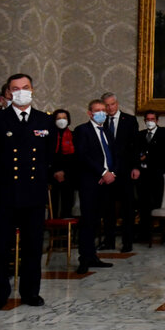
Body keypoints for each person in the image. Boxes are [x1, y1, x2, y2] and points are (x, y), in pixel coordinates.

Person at [0, 73, 56, 308]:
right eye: (15, 88)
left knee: (32, 246)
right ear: (8, 93)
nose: (21, 91)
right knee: (0, 246)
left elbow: (49, 156)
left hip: (33, 192)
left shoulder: (44, 120)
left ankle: (31, 292)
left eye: (26, 87)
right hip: (4, 193)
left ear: (32, 90)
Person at [72, 99, 116, 274]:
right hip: (90, 181)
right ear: (90, 113)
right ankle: (84, 258)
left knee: (98, 220)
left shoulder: (107, 132)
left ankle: (93, 256)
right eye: (98, 110)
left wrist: (111, 173)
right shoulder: (82, 130)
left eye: (104, 110)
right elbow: (83, 156)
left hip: (106, 182)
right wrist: (102, 172)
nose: (102, 113)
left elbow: (113, 154)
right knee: (88, 220)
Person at [101, 92, 139, 252]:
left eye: (112, 104)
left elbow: (135, 145)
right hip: (106, 172)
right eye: (107, 105)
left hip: (125, 171)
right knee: (107, 208)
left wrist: (136, 167)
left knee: (127, 209)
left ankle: (127, 242)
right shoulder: (100, 121)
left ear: (117, 104)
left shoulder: (129, 120)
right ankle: (108, 241)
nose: (110, 108)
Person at [136, 110, 165, 244]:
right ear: (144, 120)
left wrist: (146, 156)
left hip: (158, 175)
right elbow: (135, 152)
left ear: (157, 120)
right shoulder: (139, 135)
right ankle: (144, 234)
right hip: (143, 176)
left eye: (152, 119)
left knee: (161, 203)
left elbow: (163, 154)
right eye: (148, 119)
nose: (150, 121)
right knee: (143, 205)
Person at [51, 109, 77, 221]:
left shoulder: (74, 135)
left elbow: (76, 157)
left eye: (64, 118)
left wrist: (64, 172)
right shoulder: (49, 136)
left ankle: (66, 228)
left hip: (69, 175)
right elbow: (47, 155)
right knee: (53, 202)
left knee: (68, 202)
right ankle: (53, 227)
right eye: (58, 118)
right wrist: (55, 171)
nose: (62, 120)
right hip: (52, 175)